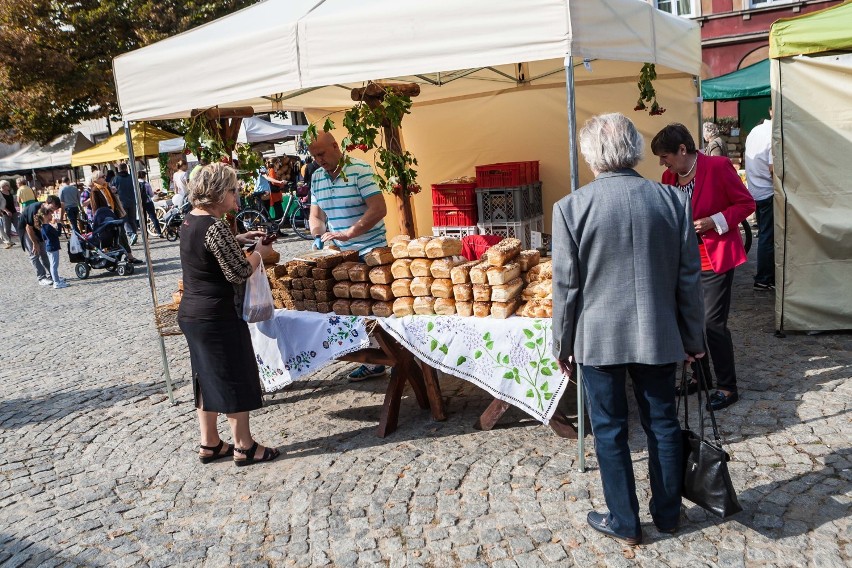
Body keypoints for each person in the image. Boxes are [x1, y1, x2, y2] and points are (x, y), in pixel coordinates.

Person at [552, 113, 705, 545]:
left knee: (610, 429)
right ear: (634, 149)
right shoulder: (672, 201)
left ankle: (624, 520)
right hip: (658, 333)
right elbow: (688, 280)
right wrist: (693, 339)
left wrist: (561, 344)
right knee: (662, 424)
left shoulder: (571, 208)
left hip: (598, 337)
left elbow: (566, 287)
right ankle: (669, 514)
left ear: (590, 156)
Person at [178, 162, 280, 466]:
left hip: (193, 314)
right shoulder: (214, 226)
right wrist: (261, 251)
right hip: (217, 314)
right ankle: (244, 446)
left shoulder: (189, 221)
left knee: (205, 376)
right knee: (234, 375)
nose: (236, 198)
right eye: (233, 191)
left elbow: (205, 253)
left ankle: (209, 442)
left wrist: (238, 241)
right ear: (219, 192)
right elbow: (237, 273)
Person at [652, 123, 755, 411]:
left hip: (715, 256)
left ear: (682, 150)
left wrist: (715, 221)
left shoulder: (719, 166)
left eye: (665, 156)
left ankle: (727, 386)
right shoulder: (668, 177)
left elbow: (746, 204)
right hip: (683, 260)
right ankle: (701, 378)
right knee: (688, 321)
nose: (662, 163)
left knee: (712, 323)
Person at [308, 131, 389, 382]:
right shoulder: (317, 177)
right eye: (314, 156)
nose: (319, 160)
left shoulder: (359, 170)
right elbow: (317, 216)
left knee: (377, 307)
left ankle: (392, 355)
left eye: (321, 153)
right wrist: (320, 236)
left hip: (370, 250)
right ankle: (374, 358)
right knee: (347, 309)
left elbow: (379, 208)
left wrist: (350, 232)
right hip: (340, 257)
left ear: (335, 146)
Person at [744, 108, 775, 291]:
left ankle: (764, 276)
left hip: (756, 190)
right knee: (768, 237)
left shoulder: (755, 130)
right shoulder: (773, 133)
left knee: (765, 235)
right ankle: (764, 278)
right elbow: (773, 168)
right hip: (768, 191)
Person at [18, 195, 61, 286]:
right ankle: (41, 277)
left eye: (55, 209)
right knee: (34, 253)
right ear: (47, 202)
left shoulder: (46, 211)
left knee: (44, 253)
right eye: (52, 208)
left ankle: (52, 275)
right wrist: (34, 242)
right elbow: (28, 227)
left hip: (37, 229)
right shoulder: (35, 208)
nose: (53, 211)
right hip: (26, 230)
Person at [37, 204, 69, 289]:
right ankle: (56, 282)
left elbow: (44, 237)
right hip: (53, 247)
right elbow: (58, 234)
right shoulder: (48, 227)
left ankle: (56, 279)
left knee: (52, 265)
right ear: (45, 216)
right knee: (54, 265)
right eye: (50, 214)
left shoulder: (43, 227)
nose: (51, 216)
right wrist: (58, 224)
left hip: (49, 247)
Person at [113, 163, 139, 244]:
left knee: (125, 220)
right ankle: (134, 234)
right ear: (126, 169)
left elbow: (113, 190)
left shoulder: (115, 179)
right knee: (132, 219)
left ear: (119, 169)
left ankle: (131, 234)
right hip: (132, 201)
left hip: (121, 202)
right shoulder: (132, 177)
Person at [138, 171, 163, 238]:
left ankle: (145, 235)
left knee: (143, 219)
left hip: (140, 203)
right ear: (144, 176)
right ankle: (159, 232)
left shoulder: (135, 184)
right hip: (148, 202)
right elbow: (151, 195)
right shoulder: (146, 184)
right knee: (153, 217)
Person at [0, 181, 15, 248]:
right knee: (5, 228)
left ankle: (8, 242)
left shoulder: (9, 193)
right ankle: (8, 242)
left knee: (3, 228)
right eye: (7, 185)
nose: (8, 186)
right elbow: (2, 202)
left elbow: (3, 202)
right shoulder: (1, 193)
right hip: (5, 212)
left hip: (11, 211)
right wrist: (5, 210)